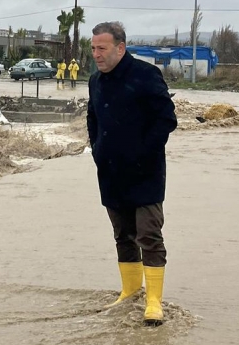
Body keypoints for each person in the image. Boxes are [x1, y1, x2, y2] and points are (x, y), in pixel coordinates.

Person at [86, 22, 177, 326]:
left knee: (148, 235)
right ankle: (129, 291)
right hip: (110, 171)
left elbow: (166, 119)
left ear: (120, 48)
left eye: (102, 48)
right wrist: (97, 149)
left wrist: (143, 152)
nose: (96, 54)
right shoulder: (95, 81)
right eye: (93, 48)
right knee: (122, 235)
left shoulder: (145, 75)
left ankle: (153, 302)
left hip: (145, 172)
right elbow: (92, 118)